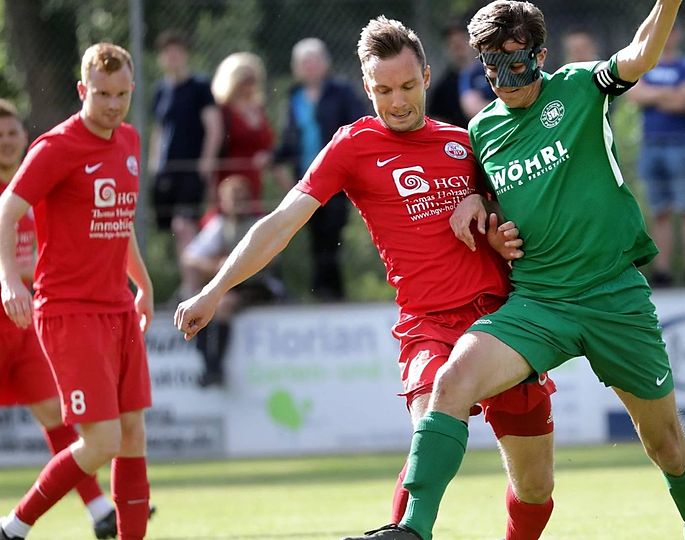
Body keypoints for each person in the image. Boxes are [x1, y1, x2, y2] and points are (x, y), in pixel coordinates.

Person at [174, 16, 557, 540]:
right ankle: (407, 533)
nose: (397, 102)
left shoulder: (465, 141)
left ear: (426, 75)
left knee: (534, 487)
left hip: (500, 320)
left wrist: (488, 212)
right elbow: (281, 223)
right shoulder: (352, 146)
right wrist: (214, 289)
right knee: (431, 423)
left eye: (408, 86)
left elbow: (517, 211)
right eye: (383, 90)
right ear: (366, 86)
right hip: (428, 325)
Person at [349, 1, 685, 539]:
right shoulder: (482, 130)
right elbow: (491, 199)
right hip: (538, 302)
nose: (504, 80)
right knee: (452, 382)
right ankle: (412, 530)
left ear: (540, 57)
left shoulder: (581, 87)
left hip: (613, 295)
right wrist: (481, 208)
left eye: (517, 64)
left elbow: (640, 54)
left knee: (668, 447)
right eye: (491, 67)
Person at [0, 43, 155, 540]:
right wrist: (9, 280)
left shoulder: (129, 139)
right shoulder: (56, 147)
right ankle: (14, 527)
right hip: (69, 311)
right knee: (102, 440)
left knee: (132, 435)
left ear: (131, 89)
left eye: (121, 94)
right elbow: (7, 210)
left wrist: (143, 284)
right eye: (102, 94)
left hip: (118, 308)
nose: (112, 104)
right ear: (82, 90)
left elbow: (120, 223)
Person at [0, 99, 122, 539]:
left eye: (12, 132)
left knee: (54, 410)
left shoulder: (41, 179)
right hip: (9, 310)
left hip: (27, 320)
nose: (6, 141)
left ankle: (98, 508)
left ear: (23, 137)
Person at [274, 37, 366, 301]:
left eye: (315, 60)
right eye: (305, 62)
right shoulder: (293, 97)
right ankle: (322, 292)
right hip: (306, 177)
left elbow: (357, 126)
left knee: (332, 233)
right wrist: (273, 158)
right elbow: (289, 138)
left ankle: (331, 292)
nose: (310, 66)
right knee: (315, 236)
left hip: (337, 178)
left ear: (325, 63)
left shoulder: (341, 92)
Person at [182, 174, 284, 388]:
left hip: (258, 285)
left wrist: (236, 265)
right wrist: (216, 266)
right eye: (234, 198)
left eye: (243, 197)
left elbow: (273, 257)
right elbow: (190, 256)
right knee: (202, 306)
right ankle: (210, 367)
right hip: (231, 287)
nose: (239, 203)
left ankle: (214, 367)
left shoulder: (259, 224)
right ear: (223, 202)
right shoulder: (219, 225)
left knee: (222, 305)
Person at [149, 30, 223, 299]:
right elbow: (159, 131)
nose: (172, 57)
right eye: (167, 52)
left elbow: (214, 127)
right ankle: (190, 284)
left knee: (185, 226)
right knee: (178, 229)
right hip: (167, 173)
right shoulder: (161, 91)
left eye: (177, 51)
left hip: (192, 170)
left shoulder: (199, 87)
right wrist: (154, 166)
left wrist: (206, 163)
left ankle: (192, 289)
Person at [627, 25, 685, 287]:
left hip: (680, 143)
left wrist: (654, 94)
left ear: (677, 34)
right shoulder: (644, 64)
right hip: (650, 143)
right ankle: (663, 270)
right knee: (660, 211)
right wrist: (669, 93)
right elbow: (635, 95)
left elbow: (684, 101)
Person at [210, 52, 278, 214]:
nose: (249, 86)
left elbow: (269, 144)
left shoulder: (258, 109)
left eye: (253, 80)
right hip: (228, 179)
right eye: (244, 80)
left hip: (254, 179)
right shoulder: (222, 111)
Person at [426, 23, 473, 128]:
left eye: (462, 42)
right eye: (454, 45)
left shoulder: (489, 76)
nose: (459, 50)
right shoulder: (443, 88)